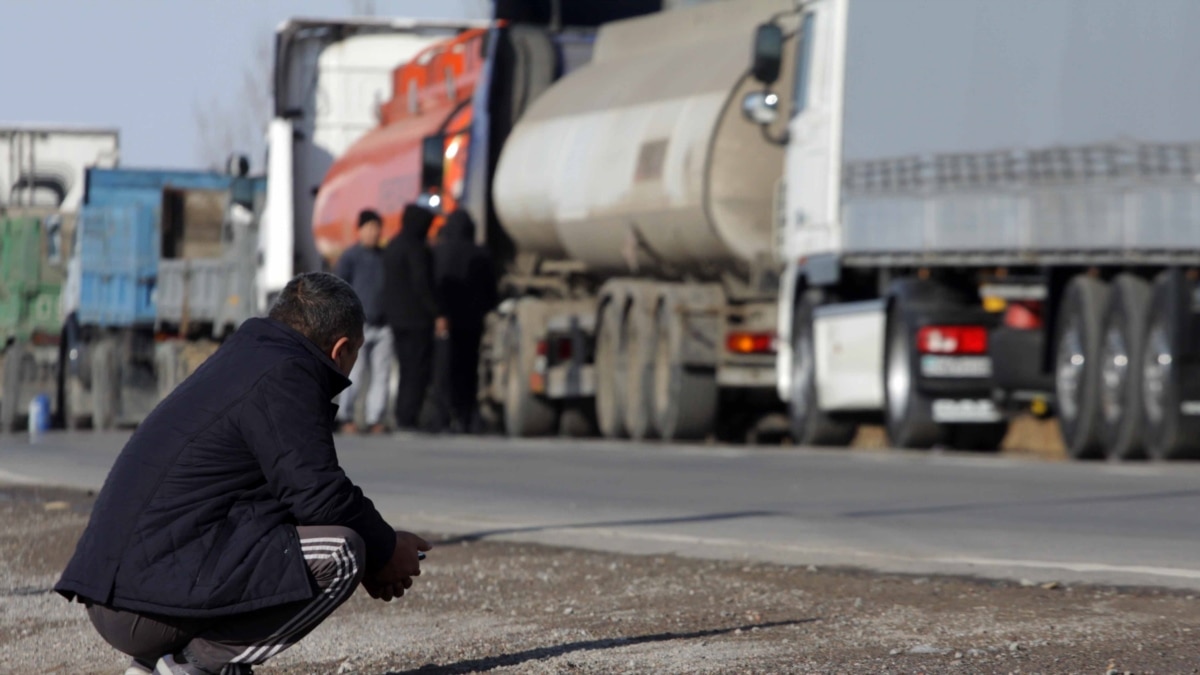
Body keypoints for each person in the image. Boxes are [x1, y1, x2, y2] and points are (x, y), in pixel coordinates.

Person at [54, 272, 431, 675]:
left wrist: (381, 555)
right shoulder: (287, 374)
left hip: (118, 594)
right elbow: (318, 493)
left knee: (290, 532)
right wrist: (385, 549)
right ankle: (192, 666)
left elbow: (286, 495)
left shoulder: (245, 357)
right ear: (340, 349)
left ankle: (154, 665)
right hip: (144, 604)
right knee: (341, 552)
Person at [433, 209, 498, 433]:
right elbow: (491, 290)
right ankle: (466, 416)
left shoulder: (438, 252)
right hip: (472, 322)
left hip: (445, 321)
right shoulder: (481, 253)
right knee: (468, 371)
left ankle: (442, 417)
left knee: (444, 369)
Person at [383, 203, 446, 432]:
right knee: (416, 371)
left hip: (397, 319)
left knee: (405, 369)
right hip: (417, 321)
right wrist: (436, 311)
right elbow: (422, 284)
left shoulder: (393, 245)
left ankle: (403, 414)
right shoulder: (416, 249)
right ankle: (409, 416)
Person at [334, 208, 392, 434]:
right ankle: (346, 417)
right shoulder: (350, 257)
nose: (374, 233)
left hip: (383, 324)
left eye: (377, 228)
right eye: (369, 228)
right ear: (360, 230)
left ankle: (375, 418)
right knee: (354, 374)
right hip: (358, 325)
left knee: (382, 374)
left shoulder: (385, 257)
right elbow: (339, 288)